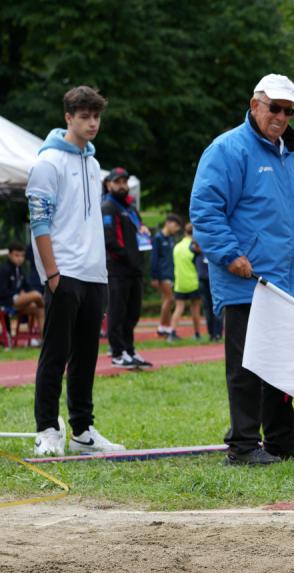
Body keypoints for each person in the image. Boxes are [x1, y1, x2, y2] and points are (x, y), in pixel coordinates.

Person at [190, 73, 294, 466]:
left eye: (288, 110)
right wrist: (229, 254)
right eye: (274, 108)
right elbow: (205, 209)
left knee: (282, 365)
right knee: (247, 366)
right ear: (255, 105)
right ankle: (244, 446)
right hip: (247, 279)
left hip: (288, 280)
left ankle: (281, 440)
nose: (281, 116)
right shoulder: (227, 150)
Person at [25, 85, 125, 455]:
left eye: (96, 116)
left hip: (95, 274)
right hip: (64, 273)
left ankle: (82, 429)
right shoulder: (47, 162)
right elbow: (39, 222)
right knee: (55, 354)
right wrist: (52, 274)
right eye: (84, 116)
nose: (92, 123)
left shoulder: (95, 164)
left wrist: (99, 270)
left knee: (85, 356)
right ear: (68, 117)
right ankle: (48, 430)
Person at [101, 167, 153, 368]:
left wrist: (144, 231)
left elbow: (139, 231)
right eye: (118, 182)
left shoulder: (131, 209)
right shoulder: (108, 207)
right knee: (117, 311)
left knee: (132, 313)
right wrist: (126, 258)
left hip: (134, 270)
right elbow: (109, 239)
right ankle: (117, 352)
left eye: (124, 182)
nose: (122, 186)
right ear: (108, 184)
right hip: (117, 270)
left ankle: (129, 349)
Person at [0, 241, 45, 345]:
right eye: (16, 255)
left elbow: (27, 287)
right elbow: (2, 292)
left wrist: (25, 296)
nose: (20, 258)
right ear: (10, 255)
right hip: (6, 302)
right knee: (36, 295)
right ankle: (49, 307)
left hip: (19, 303)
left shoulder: (19, 269)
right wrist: (19, 296)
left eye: (22, 256)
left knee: (39, 309)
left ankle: (45, 340)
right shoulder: (4, 269)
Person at [168, 222, 202, 342]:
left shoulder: (177, 246)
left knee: (178, 308)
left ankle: (172, 332)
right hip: (193, 282)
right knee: (195, 309)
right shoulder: (194, 247)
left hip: (179, 283)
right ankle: (197, 333)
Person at [150, 213, 182, 337]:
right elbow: (154, 258)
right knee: (170, 299)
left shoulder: (170, 239)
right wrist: (154, 276)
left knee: (166, 300)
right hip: (162, 274)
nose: (177, 229)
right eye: (175, 225)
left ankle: (166, 327)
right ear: (168, 223)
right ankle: (161, 327)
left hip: (170, 273)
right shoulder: (158, 238)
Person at [194, 242, 223, 341]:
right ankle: (211, 333)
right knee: (207, 308)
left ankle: (218, 333)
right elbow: (192, 248)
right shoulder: (198, 239)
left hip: (215, 278)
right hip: (203, 279)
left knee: (217, 306)